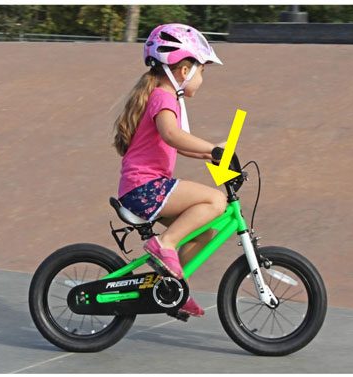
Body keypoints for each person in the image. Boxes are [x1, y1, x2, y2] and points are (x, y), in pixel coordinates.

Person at [112, 23, 227, 318]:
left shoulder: (164, 96)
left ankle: (172, 287)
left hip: (145, 189)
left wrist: (211, 152)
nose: (202, 79)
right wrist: (213, 150)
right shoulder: (163, 96)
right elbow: (171, 135)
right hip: (145, 187)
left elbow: (180, 146)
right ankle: (164, 244)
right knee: (216, 201)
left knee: (205, 233)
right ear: (183, 69)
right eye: (202, 71)